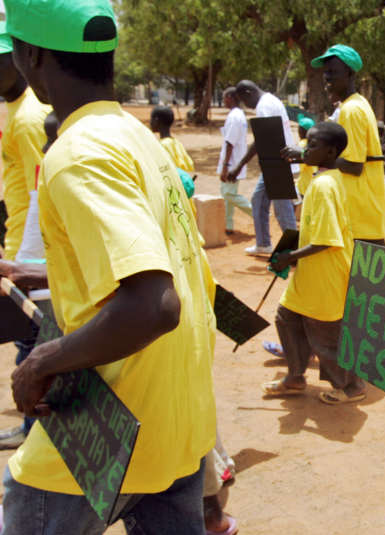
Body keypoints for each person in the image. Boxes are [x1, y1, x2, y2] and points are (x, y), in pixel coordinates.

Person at [5, 1, 217, 533]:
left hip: (103, 428)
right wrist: (43, 278)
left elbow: (153, 304)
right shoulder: (137, 136)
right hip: (175, 421)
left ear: (31, 55)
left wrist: (40, 362)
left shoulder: (78, 152)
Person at [262, 121, 366, 405]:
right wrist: (302, 158)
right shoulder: (325, 178)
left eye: (314, 145)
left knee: (326, 335)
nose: (306, 149)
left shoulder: (325, 186)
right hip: (311, 271)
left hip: (326, 272)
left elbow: (326, 240)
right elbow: (303, 185)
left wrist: (288, 257)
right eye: (306, 144)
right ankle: (295, 377)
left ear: (331, 151)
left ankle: (351, 385)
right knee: (287, 317)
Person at [0, 22, 51, 450]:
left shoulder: (32, 117)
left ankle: (35, 435)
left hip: (28, 251)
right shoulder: (16, 109)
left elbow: (41, 193)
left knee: (30, 346)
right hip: (16, 240)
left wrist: (26, 263)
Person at [293, 44, 385, 245]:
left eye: (333, 72)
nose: (327, 77)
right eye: (325, 72)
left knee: (363, 271)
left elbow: (354, 165)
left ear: (349, 73)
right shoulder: (356, 104)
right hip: (361, 208)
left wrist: (307, 156)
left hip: (359, 208)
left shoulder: (351, 110)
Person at [229, 80, 298, 256]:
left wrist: (238, 166)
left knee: (283, 211)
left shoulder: (264, 106)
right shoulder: (270, 100)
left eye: (244, 100)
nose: (246, 105)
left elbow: (262, 139)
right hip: (273, 163)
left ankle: (293, 251)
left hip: (278, 163)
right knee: (258, 200)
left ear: (247, 92)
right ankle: (263, 244)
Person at [217, 86, 252, 235]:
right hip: (235, 160)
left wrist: (225, 166)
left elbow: (230, 142)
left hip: (232, 162)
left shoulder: (234, 116)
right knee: (228, 193)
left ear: (230, 97)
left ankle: (256, 212)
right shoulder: (239, 115)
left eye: (224, 97)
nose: (223, 100)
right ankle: (228, 224)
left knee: (228, 194)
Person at [150, 105, 195, 173]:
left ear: (157, 120)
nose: (150, 123)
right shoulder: (176, 143)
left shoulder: (162, 146)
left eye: (151, 119)